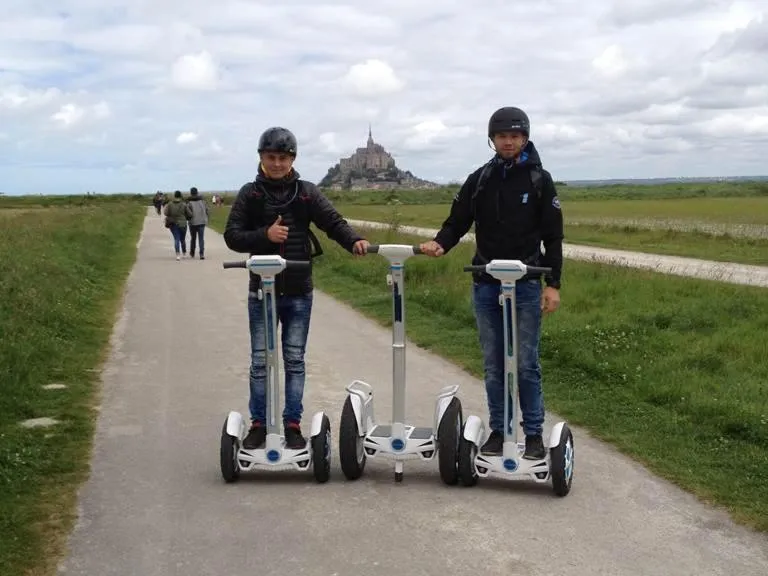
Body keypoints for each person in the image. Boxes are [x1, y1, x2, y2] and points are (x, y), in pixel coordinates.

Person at [419, 106, 564, 460]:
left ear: (525, 138)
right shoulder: (481, 178)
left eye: (515, 136)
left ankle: (532, 435)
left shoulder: (539, 180)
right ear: (492, 140)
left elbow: (554, 238)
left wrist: (553, 284)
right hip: (486, 281)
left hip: (528, 282)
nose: (509, 142)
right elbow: (457, 221)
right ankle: (499, 430)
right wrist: (440, 243)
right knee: (494, 362)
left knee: (526, 363)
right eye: (502, 136)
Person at [223, 126, 369, 450]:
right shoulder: (251, 193)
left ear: (292, 159)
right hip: (261, 291)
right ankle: (259, 424)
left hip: (299, 291)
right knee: (260, 360)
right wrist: (265, 235)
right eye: (271, 157)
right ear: (261, 158)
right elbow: (232, 236)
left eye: (283, 158)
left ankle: (292, 424)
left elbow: (332, 222)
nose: (277, 164)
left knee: (294, 359)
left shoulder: (306, 192)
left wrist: (354, 240)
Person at [164, 190, 191, 260]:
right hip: (183, 224)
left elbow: (165, 213)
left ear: (174, 196)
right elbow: (190, 214)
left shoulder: (170, 204)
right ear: (180, 196)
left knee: (176, 239)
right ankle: (184, 253)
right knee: (182, 239)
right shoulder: (184, 204)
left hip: (173, 223)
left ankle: (178, 255)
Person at [186, 186, 209, 259]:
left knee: (193, 238)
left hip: (193, 222)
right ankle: (201, 254)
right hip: (202, 222)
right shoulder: (203, 201)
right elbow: (207, 210)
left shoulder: (189, 202)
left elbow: (188, 213)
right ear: (197, 192)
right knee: (201, 239)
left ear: (191, 193)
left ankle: (192, 253)